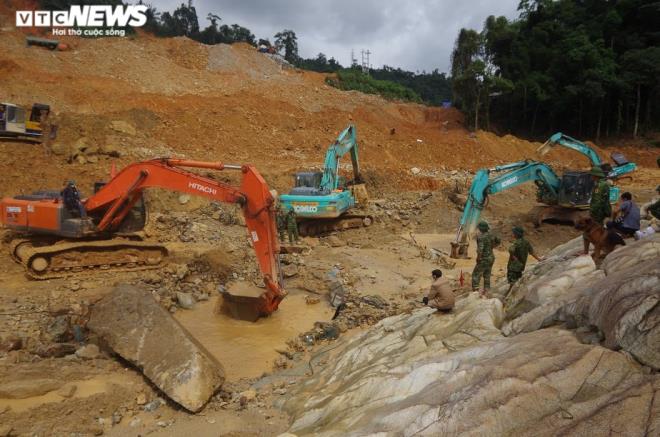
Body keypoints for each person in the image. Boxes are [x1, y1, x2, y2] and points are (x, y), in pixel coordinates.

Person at [472, 221, 500, 297]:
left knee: (476, 274)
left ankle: (475, 292)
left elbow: (480, 249)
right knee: (487, 274)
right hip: (491, 257)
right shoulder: (492, 235)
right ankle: (487, 290)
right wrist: (492, 247)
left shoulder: (481, 237)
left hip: (484, 259)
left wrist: (478, 258)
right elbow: (498, 241)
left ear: (481, 228)